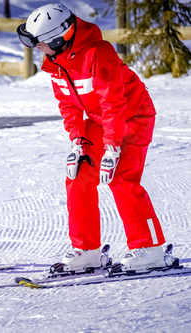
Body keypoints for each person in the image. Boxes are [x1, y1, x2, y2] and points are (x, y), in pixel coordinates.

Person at [16, 3, 172, 271]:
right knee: (78, 172)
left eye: (39, 43)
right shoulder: (55, 61)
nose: (36, 49)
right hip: (101, 121)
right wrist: (79, 141)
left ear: (59, 37)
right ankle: (86, 250)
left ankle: (150, 248)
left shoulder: (98, 54)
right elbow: (67, 104)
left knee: (122, 176)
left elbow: (114, 102)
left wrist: (112, 148)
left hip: (133, 115)